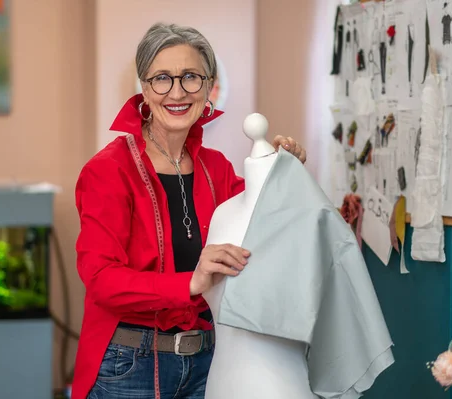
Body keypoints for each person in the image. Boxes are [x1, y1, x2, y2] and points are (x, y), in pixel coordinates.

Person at [72, 22, 307, 399]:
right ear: (144, 89)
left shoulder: (217, 168)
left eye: (191, 77)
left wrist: (280, 172)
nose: (177, 92)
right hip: (129, 367)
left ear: (209, 86)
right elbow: (101, 279)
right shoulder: (108, 171)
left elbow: (262, 225)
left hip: (209, 360)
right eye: (162, 78)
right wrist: (190, 282)